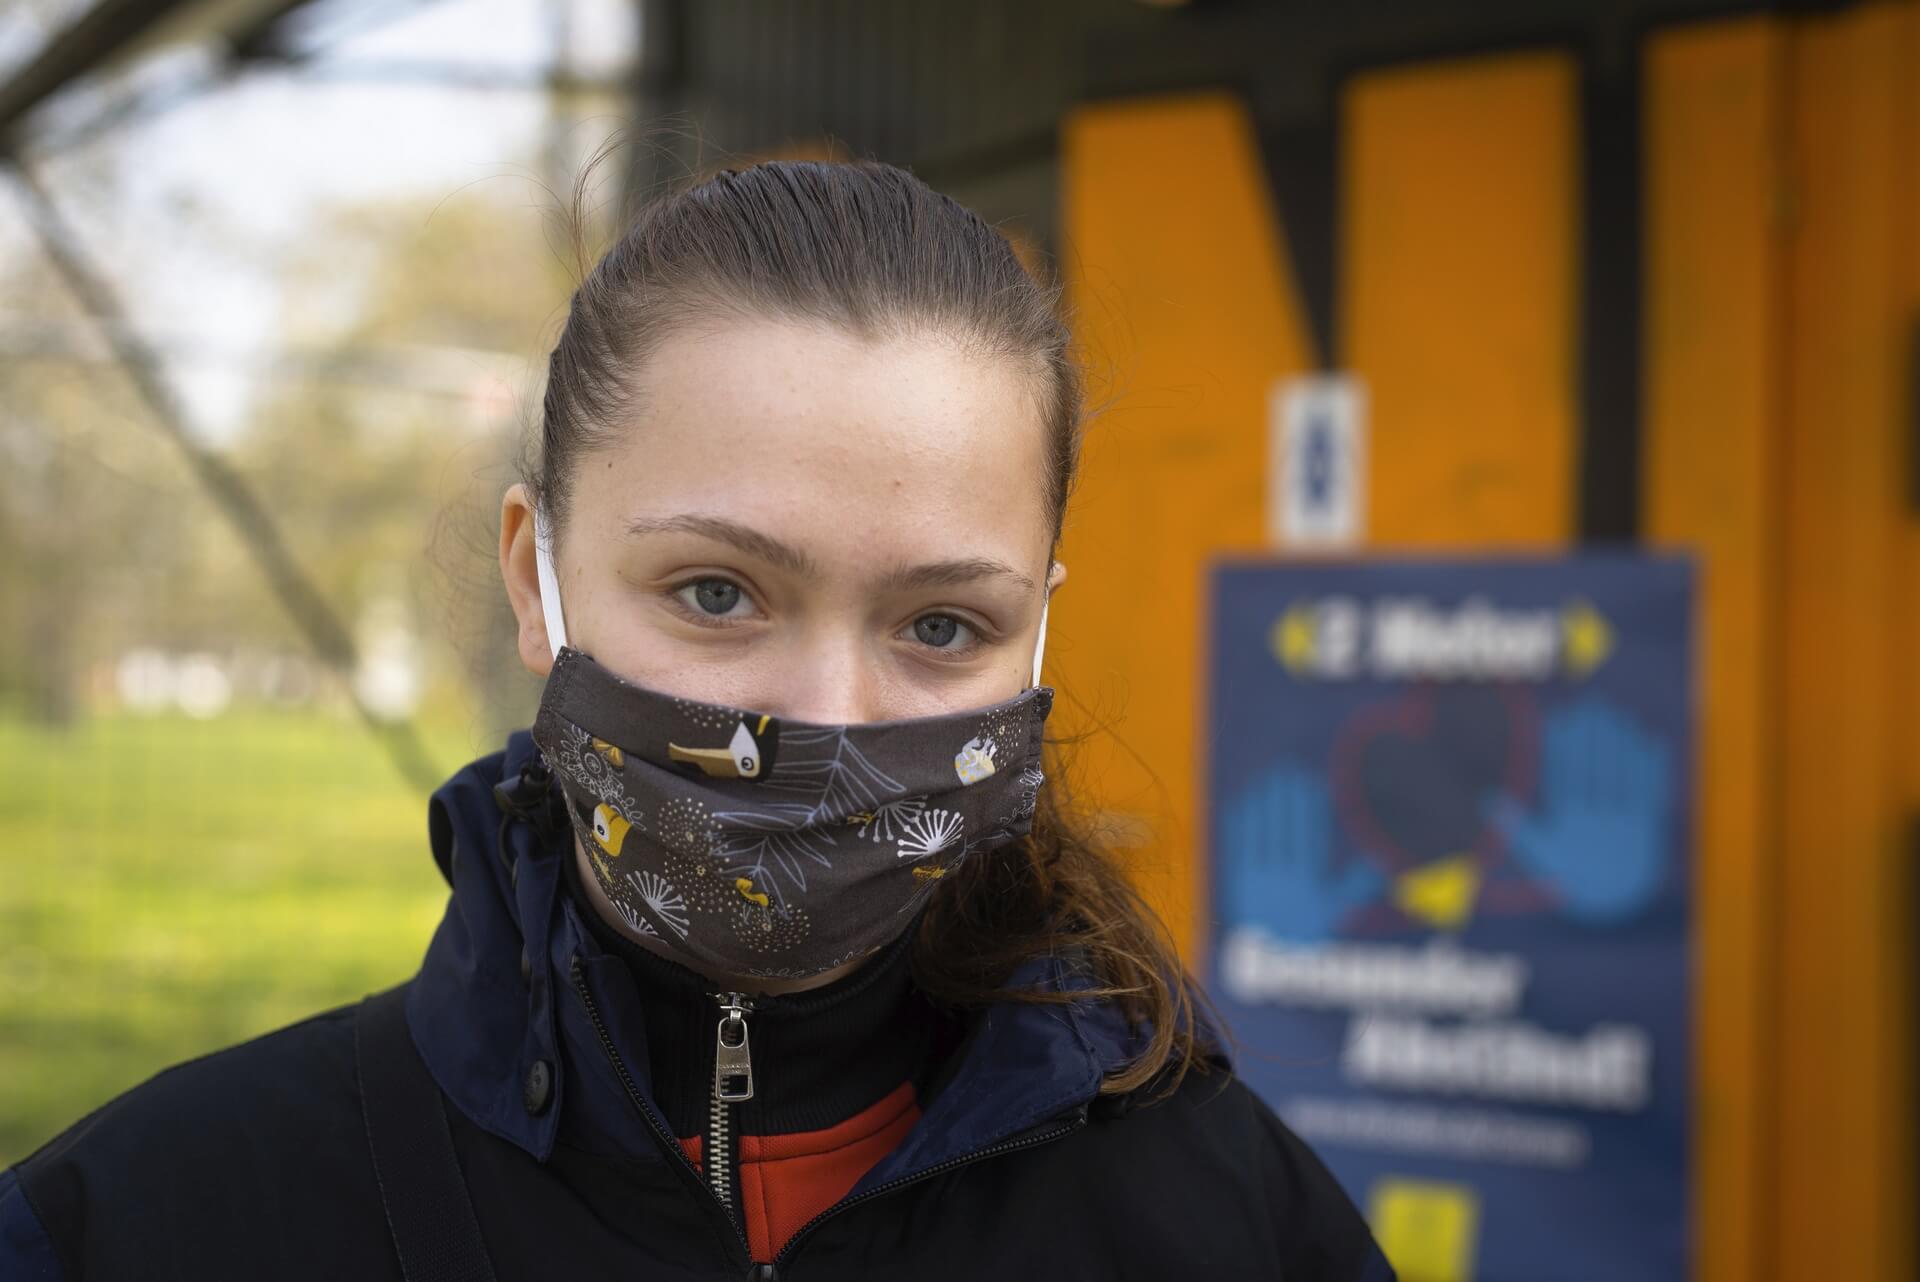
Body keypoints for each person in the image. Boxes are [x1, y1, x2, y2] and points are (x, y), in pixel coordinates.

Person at [0, 159, 1395, 1281]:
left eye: (941, 625)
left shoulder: (1233, 1221)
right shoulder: (150, 1221)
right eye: (718, 590)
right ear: (532, 578)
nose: (827, 717)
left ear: (1041, 624)